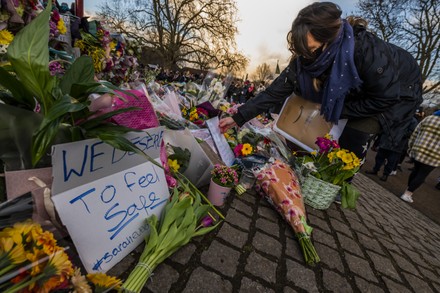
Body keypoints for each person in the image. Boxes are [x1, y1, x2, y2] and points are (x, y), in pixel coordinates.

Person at [219, 2, 422, 165]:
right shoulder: (307, 56)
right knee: (322, 121)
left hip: (396, 91)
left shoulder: (367, 52)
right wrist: (238, 117)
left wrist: (340, 110)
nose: (306, 57)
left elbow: (384, 97)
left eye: (312, 49)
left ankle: (338, 181)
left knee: (353, 134)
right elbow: (274, 92)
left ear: (329, 40)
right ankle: (309, 165)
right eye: (302, 51)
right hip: (364, 89)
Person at [400, 110, 440, 203]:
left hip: (419, 150)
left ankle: (408, 189)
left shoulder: (428, 119)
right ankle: (407, 193)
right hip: (435, 155)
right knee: (422, 175)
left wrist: (410, 147)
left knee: (415, 171)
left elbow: (415, 133)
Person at [365, 117, 418, 181]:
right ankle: (375, 169)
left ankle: (385, 174)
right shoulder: (395, 113)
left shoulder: (412, 120)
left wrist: (399, 134)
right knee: (379, 156)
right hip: (386, 140)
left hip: (398, 144)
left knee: (391, 160)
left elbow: (411, 132)